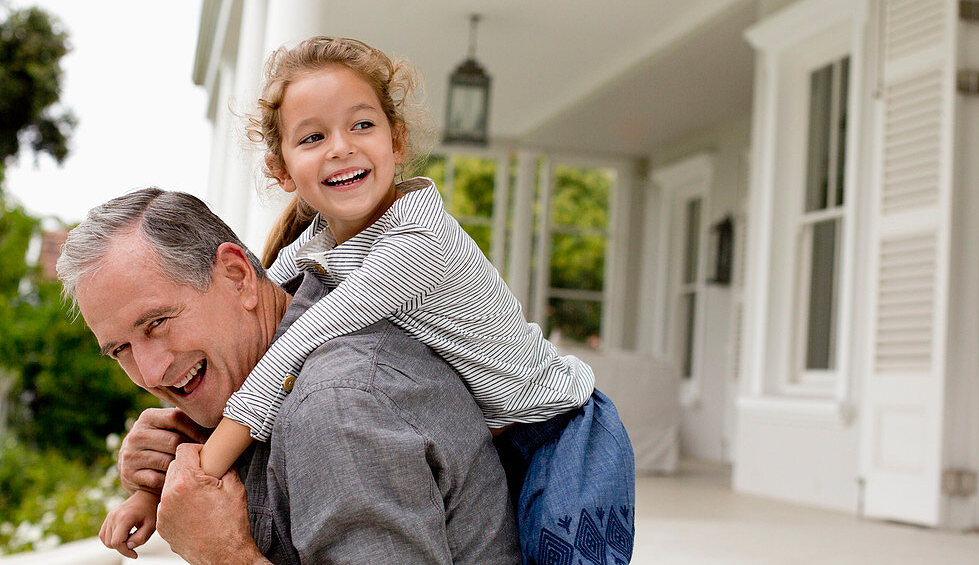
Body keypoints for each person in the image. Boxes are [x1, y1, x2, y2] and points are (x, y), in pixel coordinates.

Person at [104, 35, 635, 563]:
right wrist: (157, 482)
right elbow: (260, 297)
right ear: (281, 169)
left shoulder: (417, 245)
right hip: (500, 435)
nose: (341, 146)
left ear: (397, 141)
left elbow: (292, 345)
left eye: (362, 124)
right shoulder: (317, 249)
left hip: (561, 434)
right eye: (313, 137)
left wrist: (200, 475)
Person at [57, 188, 520, 563]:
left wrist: (226, 556)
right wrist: (159, 476)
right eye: (121, 349)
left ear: (238, 277)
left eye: (157, 323)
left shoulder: (335, 407)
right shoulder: (258, 375)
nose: (152, 371)